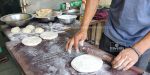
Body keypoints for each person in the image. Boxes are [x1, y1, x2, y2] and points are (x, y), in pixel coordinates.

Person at [66, 0, 150, 71]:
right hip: (111, 36)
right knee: (101, 71)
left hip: (142, 43)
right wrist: (83, 29)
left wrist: (137, 50)